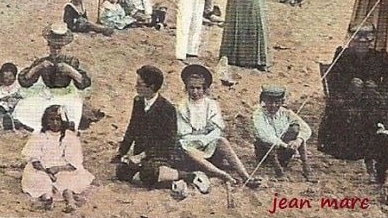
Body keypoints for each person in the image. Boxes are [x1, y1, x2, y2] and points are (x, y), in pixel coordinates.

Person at [113, 65, 209, 194]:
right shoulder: (138, 101)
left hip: (162, 154)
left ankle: (189, 176)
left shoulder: (167, 109)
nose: (136, 87)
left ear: (151, 87)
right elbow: (132, 128)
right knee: (121, 171)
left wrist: (142, 156)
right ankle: (170, 181)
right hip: (141, 153)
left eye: (140, 84)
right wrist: (122, 153)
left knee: (149, 170)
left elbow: (168, 142)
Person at [317, 23, 388, 160]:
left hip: (372, 98)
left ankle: (374, 149)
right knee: (345, 113)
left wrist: (376, 87)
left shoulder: (380, 57)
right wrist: (350, 86)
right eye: (358, 41)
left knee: (377, 112)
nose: (362, 44)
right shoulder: (343, 57)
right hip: (348, 98)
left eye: (366, 42)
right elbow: (333, 81)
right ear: (352, 41)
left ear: (372, 41)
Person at [176, 64, 259, 188]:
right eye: (191, 88)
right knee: (185, 148)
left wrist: (202, 135)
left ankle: (245, 176)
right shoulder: (182, 107)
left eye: (199, 88)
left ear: (205, 88)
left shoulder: (212, 105)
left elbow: (216, 129)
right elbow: (184, 133)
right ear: (186, 88)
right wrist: (204, 132)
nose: (195, 92)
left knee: (222, 141)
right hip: (191, 151)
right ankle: (222, 174)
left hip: (210, 145)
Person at [14, 24, 92, 132]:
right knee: (28, 107)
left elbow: (84, 83)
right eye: (53, 47)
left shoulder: (70, 61)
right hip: (47, 95)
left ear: (63, 47)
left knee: (71, 109)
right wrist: (38, 68)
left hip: (66, 95)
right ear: (48, 45)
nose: (56, 51)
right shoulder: (43, 62)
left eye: (59, 48)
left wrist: (71, 71)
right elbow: (25, 81)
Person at [21, 105, 95, 212]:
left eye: (58, 120)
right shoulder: (39, 135)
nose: (55, 123)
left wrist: (57, 168)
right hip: (42, 168)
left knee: (67, 179)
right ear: (46, 121)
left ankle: (70, 202)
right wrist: (47, 173)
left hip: (63, 167)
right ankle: (47, 198)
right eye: (51, 119)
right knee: (40, 179)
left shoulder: (69, 137)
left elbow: (74, 162)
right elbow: (35, 160)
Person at [251, 85, 313, 180]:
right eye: (270, 102)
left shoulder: (286, 113)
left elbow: (306, 128)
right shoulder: (258, 114)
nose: (273, 106)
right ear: (264, 101)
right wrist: (284, 145)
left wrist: (297, 141)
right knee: (267, 142)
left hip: (284, 152)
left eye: (277, 103)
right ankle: (278, 171)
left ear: (282, 102)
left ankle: (306, 167)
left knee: (296, 129)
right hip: (265, 154)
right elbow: (265, 136)